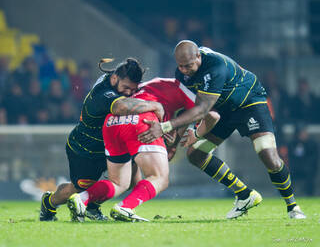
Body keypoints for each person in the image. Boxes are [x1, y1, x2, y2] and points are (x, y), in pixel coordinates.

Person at [139, 40, 306, 219]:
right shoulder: (183, 73)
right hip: (224, 111)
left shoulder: (216, 66)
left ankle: (292, 206)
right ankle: (245, 195)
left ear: (198, 56)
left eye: (189, 65)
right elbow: (190, 106)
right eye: (181, 66)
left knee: (267, 155)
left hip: (249, 103)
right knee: (195, 154)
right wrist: (175, 142)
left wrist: (165, 126)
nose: (185, 70)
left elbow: (202, 110)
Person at [66, 77, 219, 222]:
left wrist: (169, 131)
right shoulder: (187, 89)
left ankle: (82, 198)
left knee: (119, 183)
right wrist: (197, 134)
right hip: (142, 119)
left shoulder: (150, 84)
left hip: (112, 121)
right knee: (160, 177)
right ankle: (125, 208)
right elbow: (210, 114)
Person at [40, 58, 164, 221]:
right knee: (77, 189)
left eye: (132, 89)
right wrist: (155, 105)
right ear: (114, 78)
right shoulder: (102, 94)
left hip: (113, 144)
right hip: (86, 149)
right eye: (126, 88)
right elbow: (121, 107)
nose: (128, 93)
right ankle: (49, 202)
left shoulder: (115, 81)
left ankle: (92, 207)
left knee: (131, 182)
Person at [288, 123, 318, 196]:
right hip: (295, 167)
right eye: (302, 133)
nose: (304, 135)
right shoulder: (292, 144)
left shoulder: (312, 144)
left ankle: (309, 194)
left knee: (310, 173)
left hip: (308, 167)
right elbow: (291, 158)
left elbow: (313, 158)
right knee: (286, 174)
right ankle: (288, 194)